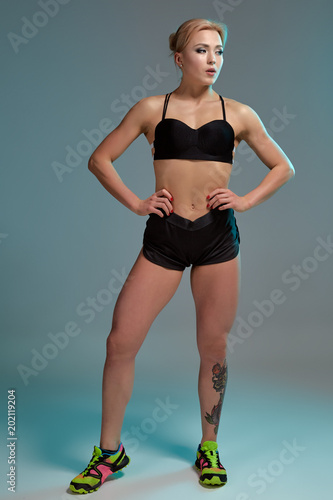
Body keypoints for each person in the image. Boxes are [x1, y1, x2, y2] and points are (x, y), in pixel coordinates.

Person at [69, 18, 295, 493]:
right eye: (201, 50)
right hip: (164, 237)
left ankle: (208, 447)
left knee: (213, 347)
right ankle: (110, 453)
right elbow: (98, 159)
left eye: (218, 51)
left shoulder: (240, 113)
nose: (212, 59)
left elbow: (283, 166)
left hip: (216, 239)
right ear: (179, 58)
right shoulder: (153, 108)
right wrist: (136, 202)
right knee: (119, 342)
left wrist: (247, 200)